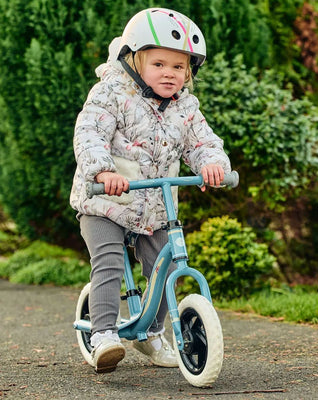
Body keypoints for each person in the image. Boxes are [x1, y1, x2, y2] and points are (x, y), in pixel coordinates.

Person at [70, 8, 231, 373]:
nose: (170, 74)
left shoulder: (186, 106)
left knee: (168, 263)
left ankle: (153, 332)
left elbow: (202, 142)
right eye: (159, 64)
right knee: (109, 260)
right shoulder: (110, 92)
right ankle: (104, 334)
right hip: (106, 201)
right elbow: (90, 133)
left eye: (179, 67)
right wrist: (103, 171)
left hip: (155, 206)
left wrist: (213, 166)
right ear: (134, 60)